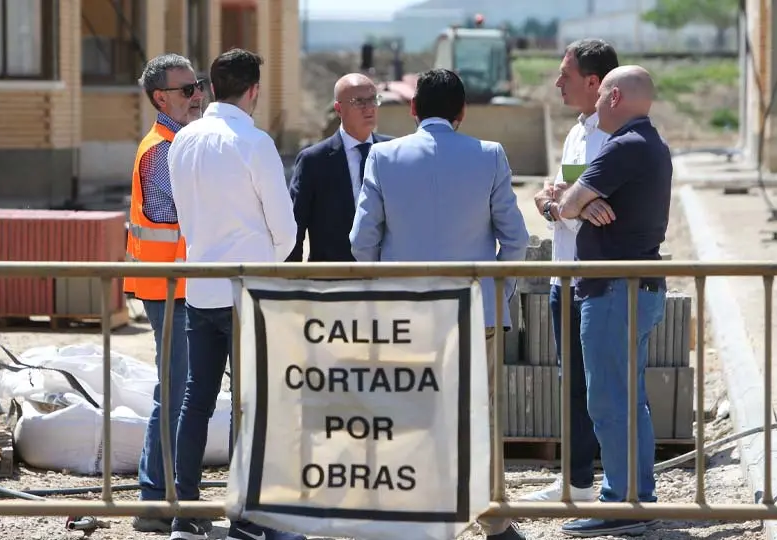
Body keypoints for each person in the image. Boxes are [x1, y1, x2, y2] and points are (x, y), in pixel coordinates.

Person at [349, 68, 531, 540]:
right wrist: (499, 292)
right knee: (479, 415)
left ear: (412, 108)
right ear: (463, 111)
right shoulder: (489, 156)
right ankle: (492, 520)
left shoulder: (384, 156)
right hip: (475, 312)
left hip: (404, 314)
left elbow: (361, 239)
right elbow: (516, 239)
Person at [166, 48, 304, 540]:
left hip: (200, 285)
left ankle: (185, 511)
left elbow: (184, 216)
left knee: (195, 399)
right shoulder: (255, 141)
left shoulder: (182, 140)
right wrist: (270, 258)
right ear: (254, 91)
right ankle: (243, 515)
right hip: (249, 290)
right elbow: (284, 228)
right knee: (250, 405)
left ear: (209, 86)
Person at [556, 65, 671, 538]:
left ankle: (619, 503)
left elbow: (565, 204)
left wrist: (574, 200)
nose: (596, 102)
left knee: (607, 401)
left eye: (602, 94)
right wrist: (580, 200)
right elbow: (574, 201)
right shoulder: (652, 144)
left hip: (611, 291)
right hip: (635, 288)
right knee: (629, 401)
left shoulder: (624, 145)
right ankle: (637, 497)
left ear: (616, 96)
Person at [526, 39, 618, 505]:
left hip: (598, 283)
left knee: (606, 388)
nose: (557, 82)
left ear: (594, 82)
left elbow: (576, 203)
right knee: (572, 383)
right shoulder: (577, 134)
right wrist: (558, 202)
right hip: (565, 275)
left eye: (565, 74)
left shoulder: (615, 140)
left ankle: (620, 490)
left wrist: (563, 201)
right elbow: (555, 200)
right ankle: (577, 480)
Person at [125, 53, 206, 534]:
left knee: (178, 390)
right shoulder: (162, 150)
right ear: (161, 98)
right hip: (166, 287)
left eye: (198, 86)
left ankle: (160, 496)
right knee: (174, 392)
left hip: (178, 285)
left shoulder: (179, 144)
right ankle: (154, 500)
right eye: (187, 89)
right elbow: (171, 214)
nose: (198, 95)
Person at [287, 73, 393, 262]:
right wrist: (293, 283)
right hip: (333, 278)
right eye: (359, 101)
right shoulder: (314, 161)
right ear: (338, 109)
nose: (369, 108)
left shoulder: (393, 152)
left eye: (372, 100)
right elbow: (295, 227)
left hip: (386, 276)